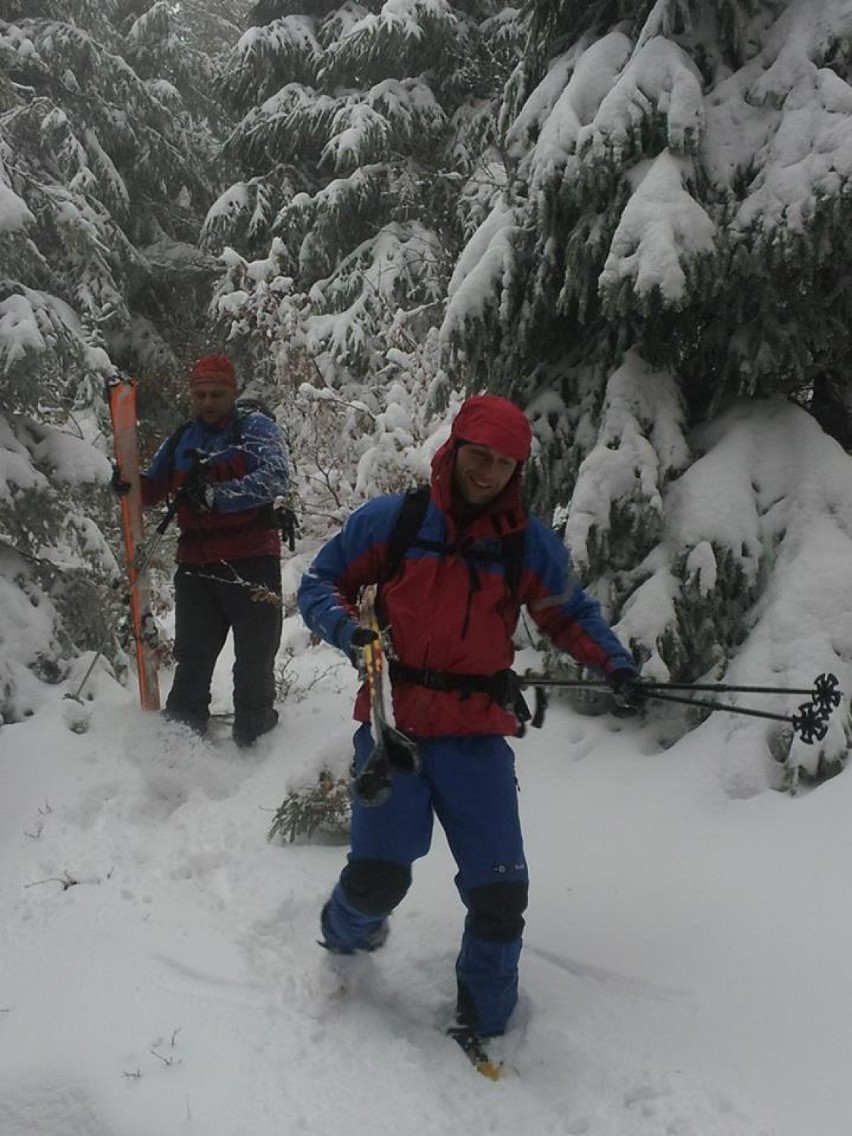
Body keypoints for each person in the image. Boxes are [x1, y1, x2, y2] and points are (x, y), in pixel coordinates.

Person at [297, 393, 644, 1052]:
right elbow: (320, 583)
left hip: (477, 734)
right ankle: (345, 935)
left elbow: (568, 614)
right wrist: (347, 631)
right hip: (394, 726)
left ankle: (485, 1020)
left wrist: (616, 666)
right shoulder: (394, 522)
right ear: (454, 449)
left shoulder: (526, 544)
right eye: (478, 457)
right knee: (378, 879)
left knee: (500, 892)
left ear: (518, 471)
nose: (487, 473)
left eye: (504, 464)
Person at [132, 353, 289, 747]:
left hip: (252, 561)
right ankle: (180, 739)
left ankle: (257, 742)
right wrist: (128, 483)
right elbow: (153, 489)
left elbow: (275, 477)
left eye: (216, 394)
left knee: (254, 660)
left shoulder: (255, 428)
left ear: (233, 392)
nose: (207, 402)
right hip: (196, 566)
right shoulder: (182, 437)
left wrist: (217, 496)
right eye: (200, 394)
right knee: (193, 657)